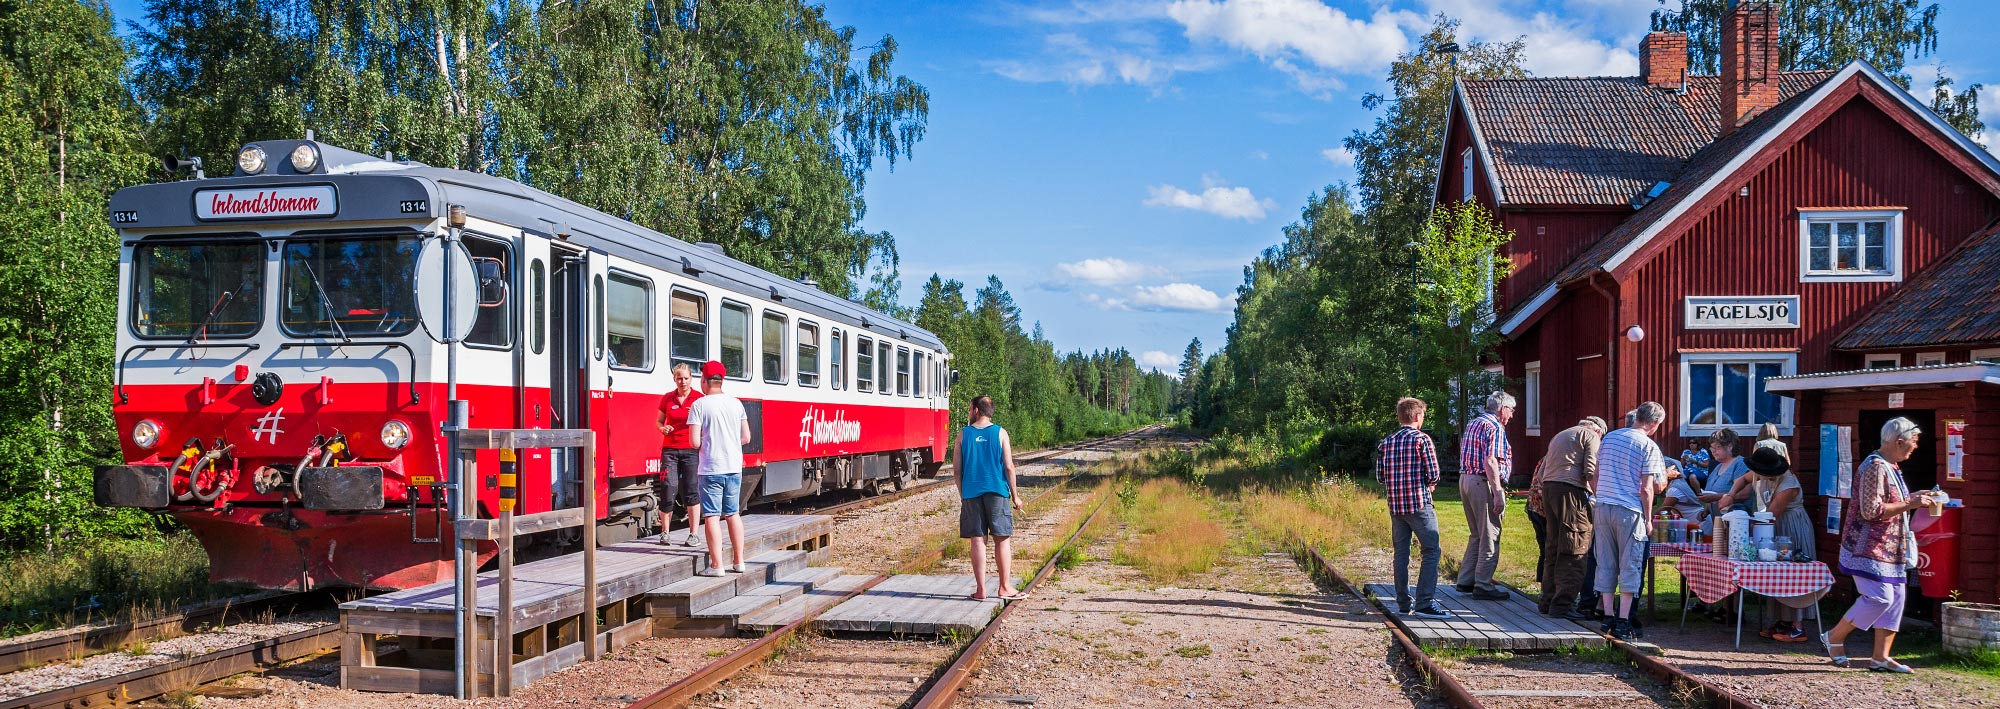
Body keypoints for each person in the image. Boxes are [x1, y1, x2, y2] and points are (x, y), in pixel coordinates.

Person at [1821, 417, 1939, 673]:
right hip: (1868, 548)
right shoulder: (1875, 467)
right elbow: (1871, 510)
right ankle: (1834, 637)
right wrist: (1911, 504)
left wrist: (1914, 497)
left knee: (1896, 598)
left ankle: (1880, 657)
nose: (1915, 446)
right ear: (1898, 441)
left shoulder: (1891, 466)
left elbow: (1892, 501)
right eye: (1914, 440)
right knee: (1879, 598)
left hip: (1889, 547)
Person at [1716, 446, 1818, 642]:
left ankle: (1797, 625)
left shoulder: (1788, 483)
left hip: (1790, 527)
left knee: (1791, 574)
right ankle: (1782, 620)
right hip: (1771, 527)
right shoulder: (1757, 472)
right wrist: (1730, 495)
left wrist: (1743, 525)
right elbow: (1742, 480)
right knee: (1776, 575)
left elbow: (1772, 513)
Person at [1593, 402, 1670, 640]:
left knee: (1605, 562)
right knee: (1631, 564)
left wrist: (1601, 495)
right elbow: (1648, 489)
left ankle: (1606, 617)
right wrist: (1648, 519)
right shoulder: (1648, 445)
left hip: (1603, 506)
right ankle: (1624, 620)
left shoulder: (1610, 438)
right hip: (1629, 510)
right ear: (1655, 424)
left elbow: (1595, 474)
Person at [1377, 398, 1453, 620]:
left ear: (1401, 416)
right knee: (1431, 550)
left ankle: (1403, 602)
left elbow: (1380, 477)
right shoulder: (1422, 440)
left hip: (1396, 505)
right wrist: (1429, 484)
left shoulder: (1386, 442)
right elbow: (1434, 474)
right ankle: (1424, 602)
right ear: (1418, 417)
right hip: (1419, 503)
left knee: (1401, 553)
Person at [959, 395, 1027, 601]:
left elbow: (957, 470)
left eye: (970, 409)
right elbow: (1008, 466)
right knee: (1002, 539)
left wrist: (964, 494)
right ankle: (1004, 587)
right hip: (997, 491)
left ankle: (981, 590)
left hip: (971, 493)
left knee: (978, 540)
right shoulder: (1001, 433)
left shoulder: (963, 435)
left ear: (976, 410)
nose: (969, 412)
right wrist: (1015, 497)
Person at [687, 360, 752, 577]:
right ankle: (739, 561)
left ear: (704, 381)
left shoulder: (699, 405)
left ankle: (717, 565)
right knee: (733, 513)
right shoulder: (736, 404)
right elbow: (746, 437)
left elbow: (695, 442)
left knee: (712, 516)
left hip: (711, 468)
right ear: (722, 380)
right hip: (734, 466)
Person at [1535, 416, 1604, 620]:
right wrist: (1598, 497)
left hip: (1549, 490)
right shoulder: (1591, 435)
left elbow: (1540, 475)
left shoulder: (1560, 435)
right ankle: (1562, 605)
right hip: (1571, 491)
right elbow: (1591, 469)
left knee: (1553, 548)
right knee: (1576, 547)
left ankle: (1547, 601)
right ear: (1599, 431)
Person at [1456, 391, 1516, 601]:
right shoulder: (1494, 426)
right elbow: (1490, 461)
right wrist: (1498, 491)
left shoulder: (1475, 422)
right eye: (1511, 410)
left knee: (1477, 533)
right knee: (1491, 533)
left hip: (1466, 479)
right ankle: (1482, 584)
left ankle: (1466, 580)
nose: (1512, 415)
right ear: (1502, 409)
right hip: (1482, 482)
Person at [656, 363, 704, 547]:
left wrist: (697, 416)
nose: (682, 381)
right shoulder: (668, 398)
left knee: (691, 490)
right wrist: (662, 428)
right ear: (674, 379)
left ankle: (693, 534)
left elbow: (707, 425)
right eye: (679, 378)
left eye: (685, 378)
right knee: (668, 487)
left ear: (691, 378)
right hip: (670, 450)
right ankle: (665, 533)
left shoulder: (699, 399)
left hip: (691, 449)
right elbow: (659, 421)